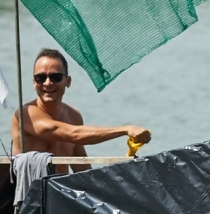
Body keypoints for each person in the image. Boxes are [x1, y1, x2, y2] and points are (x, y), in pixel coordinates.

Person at [11, 48, 151, 159]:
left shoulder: (74, 116)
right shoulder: (25, 115)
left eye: (56, 77)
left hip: (61, 193)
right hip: (31, 192)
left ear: (68, 81)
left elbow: (81, 168)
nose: (48, 83)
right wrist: (125, 129)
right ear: (34, 83)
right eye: (40, 78)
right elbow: (74, 134)